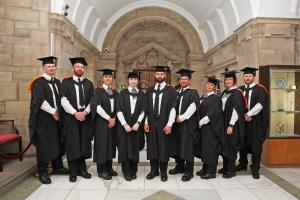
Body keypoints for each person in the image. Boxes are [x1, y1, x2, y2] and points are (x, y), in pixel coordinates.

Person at [29, 56, 68, 184]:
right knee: (44, 144)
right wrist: (53, 112)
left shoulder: (57, 82)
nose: (51, 68)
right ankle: (43, 171)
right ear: (44, 68)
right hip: (44, 119)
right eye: (49, 66)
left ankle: (58, 167)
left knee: (57, 141)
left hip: (57, 118)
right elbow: (40, 100)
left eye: (53, 66)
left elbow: (62, 98)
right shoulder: (38, 83)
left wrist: (60, 112)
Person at [61, 57, 94, 182]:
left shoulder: (88, 84)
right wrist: (75, 113)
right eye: (77, 67)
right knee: (72, 145)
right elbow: (63, 100)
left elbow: (93, 101)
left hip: (85, 118)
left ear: (83, 69)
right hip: (71, 118)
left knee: (83, 144)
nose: (80, 69)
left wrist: (85, 112)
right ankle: (73, 171)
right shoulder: (66, 82)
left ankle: (82, 169)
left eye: (81, 67)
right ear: (73, 68)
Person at [144, 66, 177, 182]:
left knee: (164, 147)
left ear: (165, 75)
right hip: (152, 123)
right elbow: (147, 108)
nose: (159, 76)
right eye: (157, 74)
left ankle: (163, 171)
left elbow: (173, 108)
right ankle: (154, 170)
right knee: (152, 147)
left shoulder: (171, 90)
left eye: (161, 74)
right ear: (154, 75)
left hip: (164, 122)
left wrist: (170, 124)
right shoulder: (150, 90)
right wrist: (146, 122)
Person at [236, 67, 269, 179]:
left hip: (255, 122)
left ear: (254, 77)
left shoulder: (261, 89)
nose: (248, 78)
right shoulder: (239, 90)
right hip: (242, 122)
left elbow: (260, 105)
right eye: (246, 76)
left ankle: (255, 168)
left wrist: (248, 114)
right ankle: (242, 164)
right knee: (242, 143)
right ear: (243, 77)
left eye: (250, 76)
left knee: (256, 146)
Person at [169, 68, 199, 182]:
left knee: (187, 147)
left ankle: (189, 171)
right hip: (176, 124)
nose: (183, 81)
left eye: (185, 79)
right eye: (181, 79)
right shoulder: (176, 92)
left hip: (187, 124)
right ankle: (180, 166)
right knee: (177, 146)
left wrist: (182, 117)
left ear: (189, 80)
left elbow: (193, 107)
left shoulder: (193, 92)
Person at [116, 72, 146, 181]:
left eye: (135, 79)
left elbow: (144, 110)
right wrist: (124, 124)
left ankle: (134, 170)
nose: (133, 81)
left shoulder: (142, 94)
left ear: (137, 81)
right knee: (124, 148)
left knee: (134, 148)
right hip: (125, 125)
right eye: (131, 79)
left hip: (136, 126)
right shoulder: (122, 94)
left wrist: (138, 123)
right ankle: (126, 171)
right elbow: (118, 110)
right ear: (128, 81)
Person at [90, 69, 118, 180]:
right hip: (102, 122)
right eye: (106, 77)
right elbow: (97, 107)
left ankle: (109, 167)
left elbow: (118, 106)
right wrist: (109, 118)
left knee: (110, 144)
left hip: (112, 121)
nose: (108, 78)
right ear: (102, 78)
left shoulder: (115, 92)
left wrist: (114, 118)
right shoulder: (98, 91)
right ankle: (101, 170)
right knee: (102, 145)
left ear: (112, 79)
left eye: (110, 77)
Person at [218, 68, 246, 178]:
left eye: (230, 79)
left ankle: (231, 170)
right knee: (225, 146)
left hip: (232, 124)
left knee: (231, 147)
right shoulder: (225, 92)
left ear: (234, 80)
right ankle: (225, 167)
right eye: (226, 80)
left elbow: (236, 110)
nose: (227, 81)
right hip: (224, 123)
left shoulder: (237, 93)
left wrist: (231, 125)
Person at [195, 76, 224, 179]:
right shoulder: (205, 97)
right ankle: (205, 168)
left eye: (211, 85)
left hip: (211, 128)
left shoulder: (215, 98)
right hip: (204, 128)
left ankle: (211, 172)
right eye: (208, 84)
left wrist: (201, 122)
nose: (209, 86)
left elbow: (212, 114)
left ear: (214, 87)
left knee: (211, 149)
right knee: (205, 148)